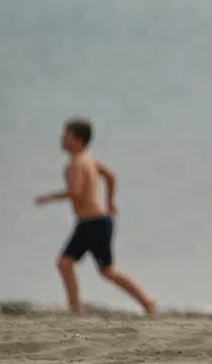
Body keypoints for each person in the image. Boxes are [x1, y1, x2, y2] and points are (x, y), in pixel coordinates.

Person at [34, 118, 155, 315]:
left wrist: (49, 197)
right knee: (67, 264)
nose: (62, 140)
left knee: (102, 270)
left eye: (66, 136)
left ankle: (147, 303)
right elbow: (110, 176)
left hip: (94, 223)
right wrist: (110, 202)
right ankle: (76, 307)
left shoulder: (77, 164)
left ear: (79, 140)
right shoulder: (89, 160)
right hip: (93, 222)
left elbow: (76, 192)